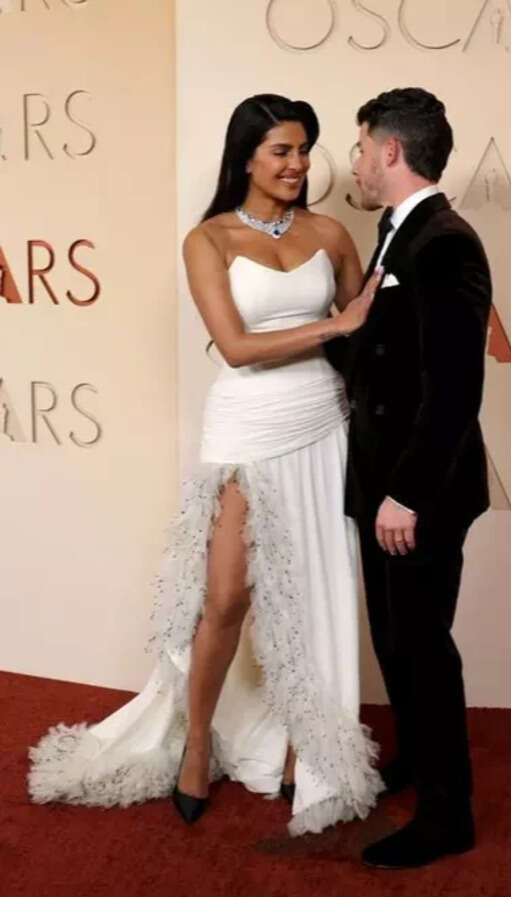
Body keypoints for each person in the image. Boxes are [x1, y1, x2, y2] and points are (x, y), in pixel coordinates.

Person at [28, 94, 384, 837]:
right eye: (281, 150)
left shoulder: (331, 233)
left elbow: (366, 334)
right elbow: (237, 347)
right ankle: (196, 743)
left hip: (321, 423)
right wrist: (334, 326)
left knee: (312, 591)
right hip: (248, 425)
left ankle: (305, 744)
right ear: (246, 157)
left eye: (304, 150)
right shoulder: (209, 239)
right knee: (225, 596)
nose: (296, 164)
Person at [327, 87, 492, 868]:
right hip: (382, 482)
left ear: (390, 150)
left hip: (417, 492)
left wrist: (408, 494)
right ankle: (420, 759)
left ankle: (447, 814)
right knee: (394, 637)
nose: (355, 163)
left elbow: (455, 388)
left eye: (361, 148)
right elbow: (380, 355)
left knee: (423, 645)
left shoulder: (445, 242)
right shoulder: (396, 232)